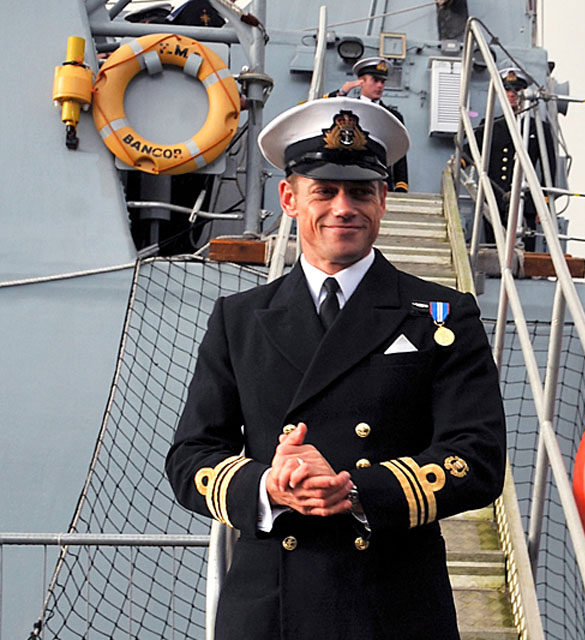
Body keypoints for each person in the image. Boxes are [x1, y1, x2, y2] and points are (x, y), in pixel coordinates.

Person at [165, 98, 507, 640]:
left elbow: (478, 457)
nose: (343, 207)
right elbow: (191, 457)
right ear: (290, 200)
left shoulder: (443, 314)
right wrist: (271, 486)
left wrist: (355, 491)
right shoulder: (241, 319)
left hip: (392, 607)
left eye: (361, 192)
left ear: (383, 202)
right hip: (271, 609)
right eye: (324, 191)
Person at [469, 67, 556, 251]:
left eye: (516, 90)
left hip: (526, 202)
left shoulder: (537, 128)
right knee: (495, 250)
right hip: (495, 197)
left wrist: (544, 203)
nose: (512, 94)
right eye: (508, 89)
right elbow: (469, 151)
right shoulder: (490, 125)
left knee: (524, 253)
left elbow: (549, 166)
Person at [326, 57, 409, 192]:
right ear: (361, 82)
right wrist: (341, 93)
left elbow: (400, 152)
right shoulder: (348, 110)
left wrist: (401, 184)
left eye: (382, 81)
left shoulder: (393, 116)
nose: (380, 86)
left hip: (380, 181)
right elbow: (321, 110)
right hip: (349, 178)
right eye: (375, 80)